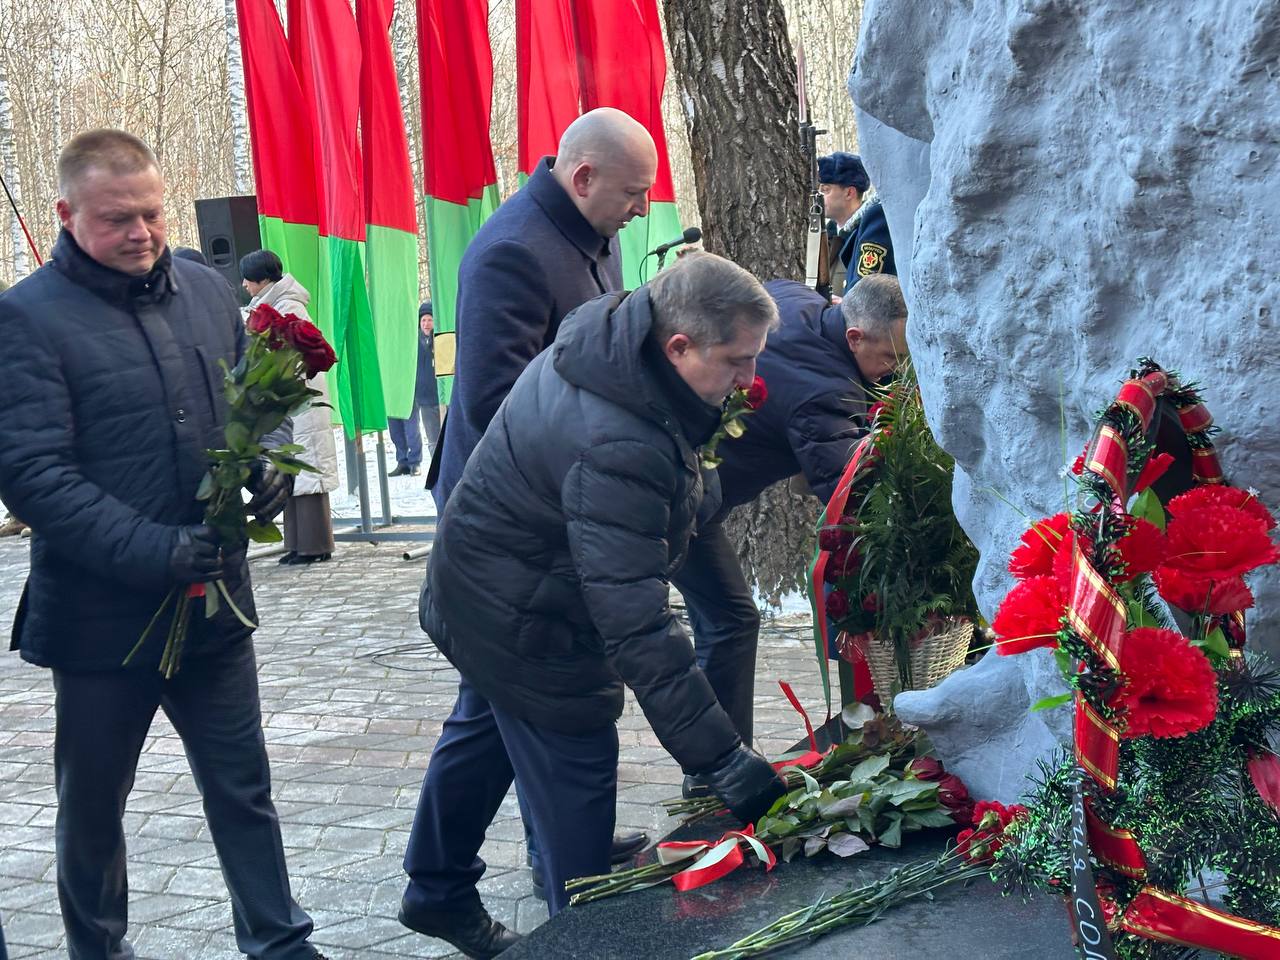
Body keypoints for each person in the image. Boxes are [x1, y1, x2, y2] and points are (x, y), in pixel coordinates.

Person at [400, 252, 788, 956]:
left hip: (492, 582)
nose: (748, 382)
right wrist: (723, 758)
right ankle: (586, 940)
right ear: (679, 345)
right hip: (522, 612)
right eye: (737, 362)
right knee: (577, 761)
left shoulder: (616, 343)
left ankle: (436, 890)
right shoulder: (618, 437)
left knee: (485, 730)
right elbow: (636, 622)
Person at [0, 129, 324, 960]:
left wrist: (268, 467)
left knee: (243, 788)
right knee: (95, 806)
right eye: (118, 220)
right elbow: (33, 476)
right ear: (67, 214)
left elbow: (250, 398)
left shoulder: (210, 291)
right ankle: (99, 952)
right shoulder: (26, 319)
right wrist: (152, 549)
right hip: (104, 621)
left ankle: (281, 945)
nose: (141, 232)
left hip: (213, 603)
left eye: (150, 211)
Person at [412, 105, 659, 908]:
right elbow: (492, 405)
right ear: (582, 176)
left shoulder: (594, 230)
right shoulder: (511, 254)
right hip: (511, 522)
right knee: (518, 690)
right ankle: (503, 873)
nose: (639, 211)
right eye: (632, 193)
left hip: (556, 506)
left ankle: (451, 880)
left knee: (492, 705)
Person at [675, 274, 909, 789]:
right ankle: (718, 767)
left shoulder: (793, 300)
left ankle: (719, 766)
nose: (895, 372)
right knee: (704, 627)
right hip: (673, 505)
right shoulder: (825, 393)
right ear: (855, 337)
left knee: (731, 620)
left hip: (689, 492)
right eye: (890, 359)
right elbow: (855, 495)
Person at [240, 249, 340, 565]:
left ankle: (314, 545)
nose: (243, 284)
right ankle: (298, 544)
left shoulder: (287, 307)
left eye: (248, 278)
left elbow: (295, 355)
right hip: (287, 400)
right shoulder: (275, 304)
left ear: (263, 278)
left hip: (299, 400)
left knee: (305, 469)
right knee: (291, 470)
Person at [819, 152, 896, 296]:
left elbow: (868, 290)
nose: (819, 196)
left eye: (825, 190)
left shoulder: (874, 227)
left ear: (849, 193)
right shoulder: (826, 236)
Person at [387, 301, 441, 477]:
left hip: (434, 395)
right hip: (409, 388)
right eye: (423, 320)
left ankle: (416, 462)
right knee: (398, 427)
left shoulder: (438, 340)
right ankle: (403, 461)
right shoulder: (412, 340)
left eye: (429, 320)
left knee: (417, 430)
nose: (426, 324)